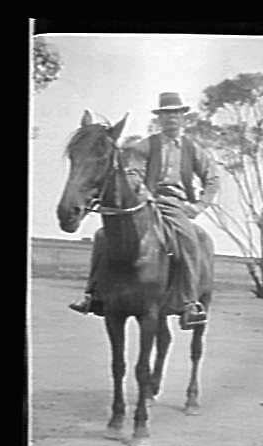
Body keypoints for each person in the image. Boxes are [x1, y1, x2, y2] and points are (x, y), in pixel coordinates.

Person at [69, 92, 220, 329]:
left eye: (175, 113)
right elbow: (132, 172)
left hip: (176, 205)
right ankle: (93, 294)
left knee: (189, 240)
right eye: (166, 114)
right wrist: (145, 194)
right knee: (102, 236)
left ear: (182, 117)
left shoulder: (194, 149)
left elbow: (212, 179)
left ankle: (189, 304)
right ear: (160, 118)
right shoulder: (145, 145)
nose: (171, 118)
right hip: (145, 202)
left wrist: (199, 206)